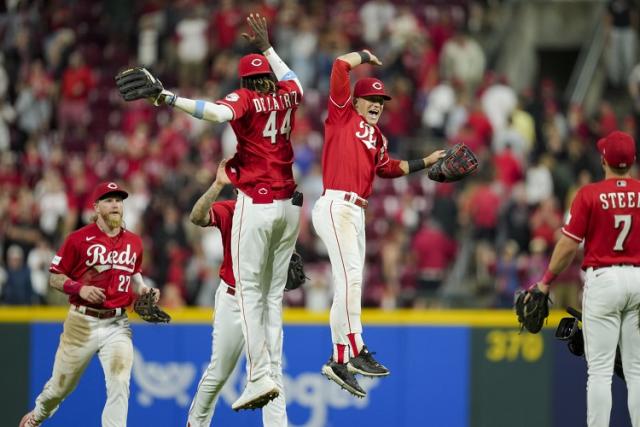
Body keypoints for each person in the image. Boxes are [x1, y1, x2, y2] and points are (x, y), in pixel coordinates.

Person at [153, 14, 303, 410]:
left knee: (252, 293)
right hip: (291, 205)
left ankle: (257, 377)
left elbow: (215, 114)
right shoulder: (288, 93)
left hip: (258, 202)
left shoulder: (246, 99)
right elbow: (297, 81)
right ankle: (265, 375)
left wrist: (168, 98)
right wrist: (269, 48)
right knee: (271, 298)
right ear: (268, 74)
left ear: (243, 82)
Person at [311, 49, 445, 397]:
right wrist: (365, 56)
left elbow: (389, 168)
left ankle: (339, 359)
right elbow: (339, 63)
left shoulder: (377, 137)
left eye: (381, 100)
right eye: (370, 98)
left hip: (356, 212)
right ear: (356, 101)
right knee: (352, 278)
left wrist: (425, 162)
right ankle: (356, 348)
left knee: (348, 283)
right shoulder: (341, 115)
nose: (377, 104)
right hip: (336, 203)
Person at [19, 182, 160, 427]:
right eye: (109, 200)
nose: (116, 204)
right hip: (81, 323)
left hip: (117, 323)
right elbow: (54, 276)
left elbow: (133, 274)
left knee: (120, 381)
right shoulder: (78, 239)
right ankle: (38, 414)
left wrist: (144, 288)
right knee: (60, 387)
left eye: (119, 200)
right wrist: (80, 288)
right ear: (96, 208)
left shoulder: (135, 242)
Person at [530, 131, 640, 427]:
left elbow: (567, 245)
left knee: (601, 371)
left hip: (603, 279)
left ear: (603, 160)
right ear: (632, 161)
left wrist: (545, 281)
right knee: (637, 371)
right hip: (639, 280)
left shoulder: (589, 194)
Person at [186, 160, 291, 427]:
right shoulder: (232, 210)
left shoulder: (278, 215)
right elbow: (197, 217)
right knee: (219, 372)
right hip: (233, 298)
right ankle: (195, 424)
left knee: (272, 373)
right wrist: (217, 184)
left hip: (265, 303)